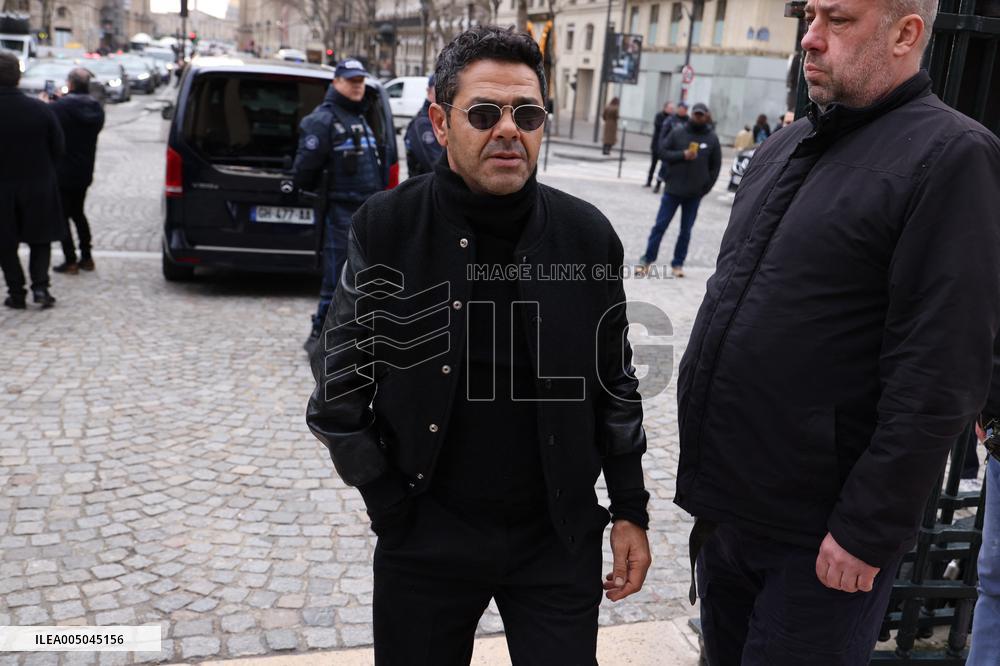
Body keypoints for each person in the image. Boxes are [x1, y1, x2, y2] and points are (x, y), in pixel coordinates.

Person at [305, 25, 651, 666]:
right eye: (485, 113)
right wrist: (392, 509)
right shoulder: (388, 227)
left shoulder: (587, 236)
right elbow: (336, 394)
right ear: (440, 122)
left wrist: (629, 508)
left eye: (528, 113)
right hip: (427, 538)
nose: (508, 130)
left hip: (557, 538)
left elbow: (615, 385)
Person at [675, 0, 1000, 663]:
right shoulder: (784, 148)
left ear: (907, 33)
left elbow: (941, 369)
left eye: (839, 20)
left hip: (822, 542)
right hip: (731, 515)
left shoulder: (952, 156)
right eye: (811, 16)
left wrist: (867, 529)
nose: (811, 38)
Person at [294, 58, 386, 353]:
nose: (357, 86)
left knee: (363, 277)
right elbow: (303, 172)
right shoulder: (323, 121)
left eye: (360, 80)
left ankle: (351, 337)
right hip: (341, 211)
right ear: (336, 83)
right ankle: (320, 337)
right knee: (336, 278)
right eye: (351, 81)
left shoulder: (358, 116)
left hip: (365, 211)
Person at [0, 50, 63, 310]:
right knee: (40, 238)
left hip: (1, 186)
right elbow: (59, 147)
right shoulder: (39, 109)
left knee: (4, 242)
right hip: (38, 182)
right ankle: (40, 288)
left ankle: (17, 292)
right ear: (18, 76)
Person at [638, 102, 721, 279]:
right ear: (691, 114)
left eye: (701, 115)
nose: (698, 117)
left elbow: (716, 167)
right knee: (660, 225)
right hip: (673, 190)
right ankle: (647, 259)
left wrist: (705, 188)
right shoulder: (678, 133)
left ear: (706, 116)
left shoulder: (712, 138)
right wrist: (682, 155)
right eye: (696, 114)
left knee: (686, 231)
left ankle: (678, 263)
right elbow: (662, 152)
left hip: (694, 194)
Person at [49, 67, 105, 274]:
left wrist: (53, 102)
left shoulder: (60, 108)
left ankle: (70, 259)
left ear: (70, 84)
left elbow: (51, 128)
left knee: (63, 215)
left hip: (62, 171)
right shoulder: (97, 109)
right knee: (78, 213)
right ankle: (87, 257)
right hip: (84, 170)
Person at [403, 73, 444, 177]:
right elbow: (434, 165)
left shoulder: (441, 117)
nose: (443, 93)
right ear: (428, 91)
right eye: (438, 88)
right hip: (425, 189)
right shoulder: (422, 124)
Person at [653, 101, 688, 194]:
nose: (682, 111)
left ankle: (670, 186)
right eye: (681, 108)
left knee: (676, 170)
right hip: (669, 148)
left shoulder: (688, 121)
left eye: (685, 109)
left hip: (681, 150)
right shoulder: (671, 119)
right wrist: (662, 145)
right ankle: (658, 184)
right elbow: (663, 133)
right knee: (664, 167)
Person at [645, 101, 674, 187]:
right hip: (656, 144)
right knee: (653, 164)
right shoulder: (659, 116)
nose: (672, 110)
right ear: (665, 108)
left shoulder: (673, 118)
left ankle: (659, 183)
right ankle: (649, 181)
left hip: (666, 146)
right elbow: (659, 127)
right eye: (670, 108)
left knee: (664, 166)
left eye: (673, 108)